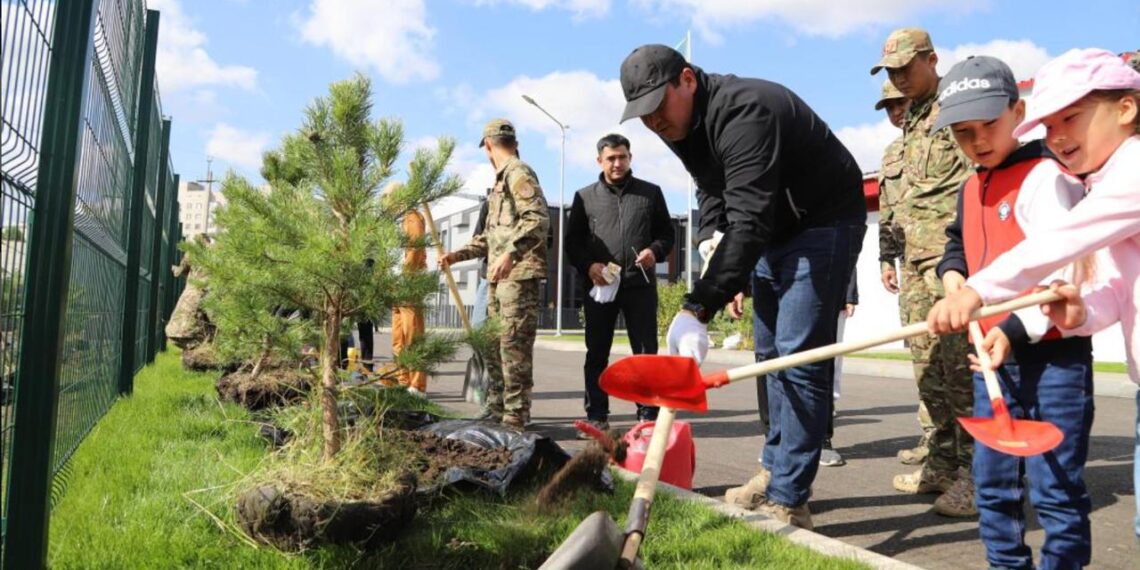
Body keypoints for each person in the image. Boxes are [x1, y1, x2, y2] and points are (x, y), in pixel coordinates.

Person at [619, 44, 866, 529]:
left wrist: (698, 305)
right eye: (642, 114)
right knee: (768, 356)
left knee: (798, 358)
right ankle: (775, 470)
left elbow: (750, 219)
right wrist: (712, 243)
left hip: (823, 221)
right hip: (776, 226)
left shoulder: (746, 111)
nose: (653, 122)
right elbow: (712, 188)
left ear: (687, 80)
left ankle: (790, 497)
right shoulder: (680, 123)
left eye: (657, 106)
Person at [928, 48, 1140, 542]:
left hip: (1048, 359)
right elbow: (1117, 285)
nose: (1057, 136)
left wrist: (978, 291)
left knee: (1057, 490)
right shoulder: (1101, 180)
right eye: (1049, 124)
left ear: (1126, 108)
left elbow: (1061, 242)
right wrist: (1082, 312)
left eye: (1071, 117)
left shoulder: (1131, 173)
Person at [871, 27, 975, 516]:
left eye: (904, 68)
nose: (898, 79)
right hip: (915, 263)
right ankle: (941, 463)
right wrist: (890, 256)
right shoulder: (913, 120)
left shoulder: (957, 107)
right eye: (890, 72)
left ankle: (977, 475)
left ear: (932, 59)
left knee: (960, 371)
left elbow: (975, 178)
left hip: (950, 261)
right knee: (928, 369)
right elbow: (900, 202)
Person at [441, 119, 550, 429]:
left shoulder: (518, 173)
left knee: (513, 348)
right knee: (492, 345)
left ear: (487, 146)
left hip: (518, 278)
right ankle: (496, 407)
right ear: (513, 142)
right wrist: (456, 255)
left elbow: (538, 219)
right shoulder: (499, 185)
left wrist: (511, 254)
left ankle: (515, 417)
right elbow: (490, 238)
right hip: (497, 279)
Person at [565, 133, 674, 433]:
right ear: (599, 160)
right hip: (600, 287)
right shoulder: (585, 197)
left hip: (640, 286)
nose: (617, 163)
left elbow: (667, 234)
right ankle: (597, 415)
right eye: (611, 158)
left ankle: (648, 415)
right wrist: (589, 266)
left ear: (630, 157)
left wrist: (655, 251)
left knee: (645, 353)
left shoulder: (650, 193)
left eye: (622, 157)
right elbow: (572, 242)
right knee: (597, 352)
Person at [875, 79, 936, 467]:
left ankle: (963, 451)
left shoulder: (942, 137)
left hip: (941, 263)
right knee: (921, 354)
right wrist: (886, 259)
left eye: (901, 102)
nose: (896, 112)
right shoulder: (892, 153)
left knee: (952, 357)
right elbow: (887, 212)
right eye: (889, 108)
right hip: (909, 267)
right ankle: (934, 439)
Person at [384, 182, 429, 396]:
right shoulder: (398, 220)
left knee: (412, 333)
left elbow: (415, 248)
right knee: (398, 336)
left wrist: (406, 277)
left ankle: (417, 385)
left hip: (408, 284)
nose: (385, 202)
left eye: (387, 197)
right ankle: (403, 379)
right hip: (396, 285)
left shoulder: (412, 217)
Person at [166, 234, 214, 350]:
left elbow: (180, 271)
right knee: (209, 321)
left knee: (182, 322)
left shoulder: (192, 252)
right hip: (212, 291)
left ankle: (194, 347)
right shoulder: (215, 251)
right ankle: (207, 345)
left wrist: (174, 269)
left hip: (193, 292)